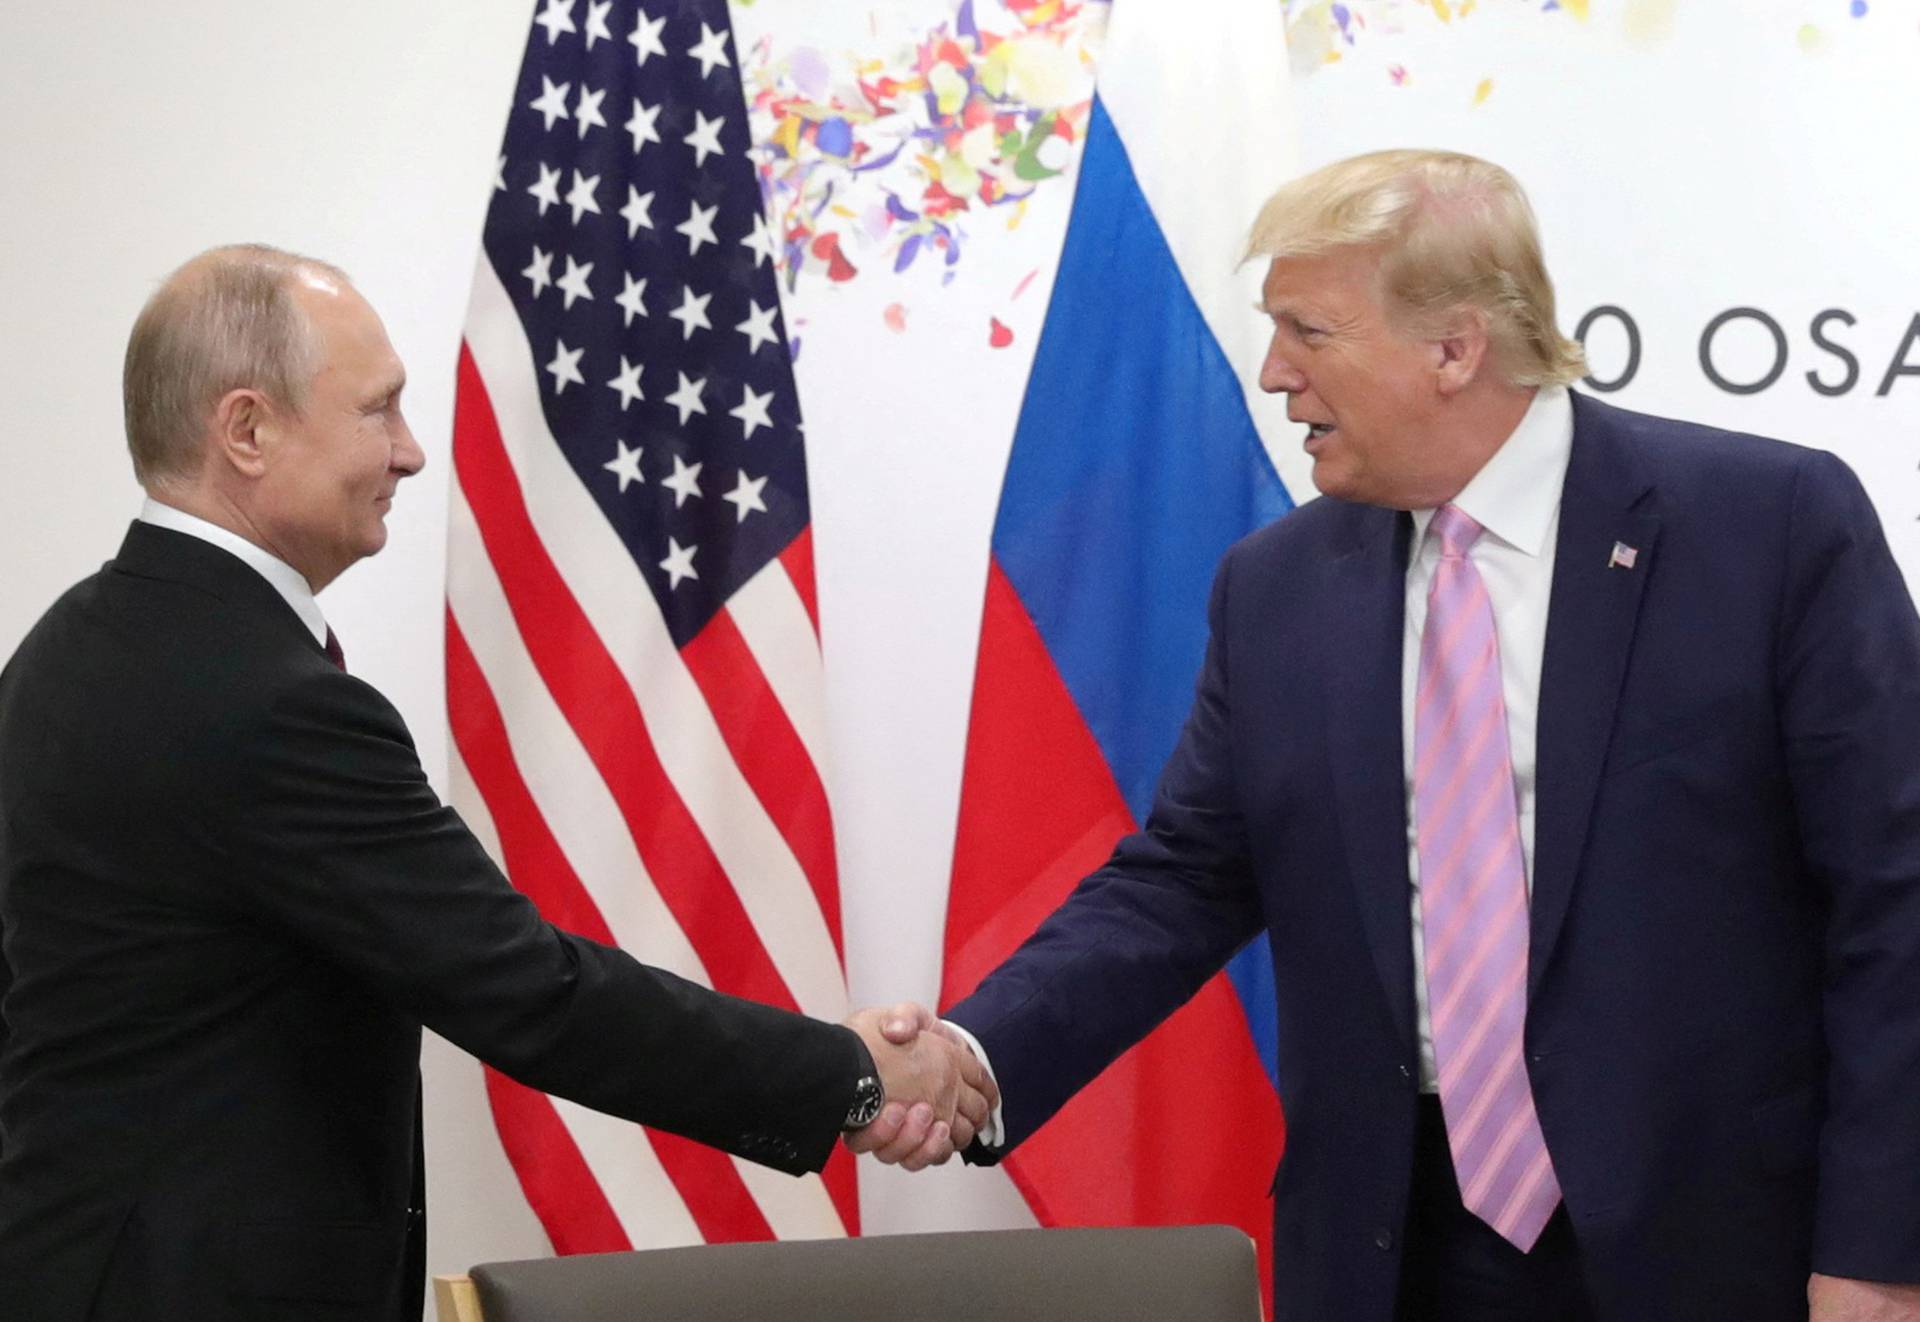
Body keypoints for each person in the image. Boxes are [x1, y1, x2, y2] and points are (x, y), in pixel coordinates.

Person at [860, 151, 1920, 1321]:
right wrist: (975, 1055)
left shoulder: (1766, 529)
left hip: (1713, 1251)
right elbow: (1185, 878)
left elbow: (1896, 899)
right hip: (1392, 1251)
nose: (1274, 372)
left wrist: (1879, 1249)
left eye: (1308, 330)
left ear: (1456, 348)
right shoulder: (1275, 586)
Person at [0, 244, 990, 1322]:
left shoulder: (66, 649)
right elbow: (528, 988)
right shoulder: (265, 702)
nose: (412, 452)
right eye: (379, 411)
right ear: (247, 431)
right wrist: (842, 1073)